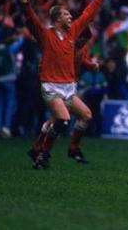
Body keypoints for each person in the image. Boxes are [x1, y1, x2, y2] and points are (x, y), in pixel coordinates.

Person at [18, 0, 108, 169]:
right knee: (62, 119)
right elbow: (31, 18)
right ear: (57, 19)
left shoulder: (72, 33)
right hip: (51, 86)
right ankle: (43, 154)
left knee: (87, 115)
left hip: (69, 87)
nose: (70, 17)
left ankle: (57, 149)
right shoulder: (45, 35)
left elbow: (87, 15)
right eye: (66, 14)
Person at [27, 27, 99, 163]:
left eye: (85, 40)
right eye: (81, 39)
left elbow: (81, 59)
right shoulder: (63, 46)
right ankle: (42, 151)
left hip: (69, 88)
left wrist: (91, 65)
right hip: (55, 86)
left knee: (85, 116)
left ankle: (71, 148)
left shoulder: (82, 48)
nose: (83, 42)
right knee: (58, 120)